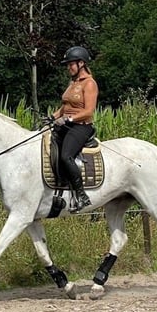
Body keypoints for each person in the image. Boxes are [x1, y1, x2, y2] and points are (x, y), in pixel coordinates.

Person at [50, 45, 99, 212]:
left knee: (66, 156)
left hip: (81, 127)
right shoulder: (73, 83)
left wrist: (68, 118)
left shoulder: (89, 84)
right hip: (66, 124)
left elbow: (88, 111)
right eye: (68, 64)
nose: (68, 67)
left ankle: (81, 195)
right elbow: (65, 107)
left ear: (81, 64)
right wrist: (53, 117)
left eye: (71, 64)